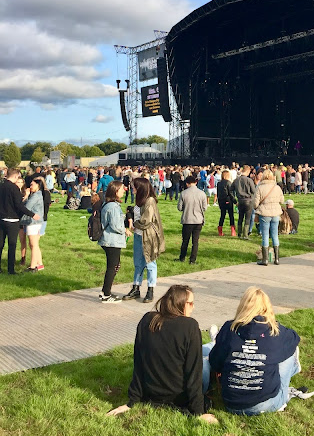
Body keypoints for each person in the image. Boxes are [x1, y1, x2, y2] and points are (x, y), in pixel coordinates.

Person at [107, 285, 217, 423]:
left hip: (151, 393)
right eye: (191, 303)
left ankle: (214, 343)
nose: (193, 307)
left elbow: (139, 362)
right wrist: (199, 411)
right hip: (179, 396)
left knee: (203, 350)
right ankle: (215, 344)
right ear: (180, 303)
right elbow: (193, 371)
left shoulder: (148, 319)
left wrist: (132, 401)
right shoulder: (190, 326)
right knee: (207, 361)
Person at [207, 287, 301, 415]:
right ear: (267, 308)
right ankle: (282, 395)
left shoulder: (229, 328)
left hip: (231, 403)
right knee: (290, 350)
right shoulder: (275, 331)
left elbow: (215, 362)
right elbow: (295, 338)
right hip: (265, 404)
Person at [123, 177, 165, 304]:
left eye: (134, 187)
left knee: (150, 263)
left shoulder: (150, 201)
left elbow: (146, 221)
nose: (132, 189)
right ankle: (136, 287)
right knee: (138, 263)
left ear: (141, 187)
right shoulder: (139, 200)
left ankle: (150, 289)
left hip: (148, 236)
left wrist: (134, 224)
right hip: (137, 235)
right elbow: (137, 213)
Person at [0, 168, 41, 274]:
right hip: (12, 220)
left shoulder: (1, 186)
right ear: (14, 176)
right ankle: (10, 269)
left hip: (1, 219)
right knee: (12, 245)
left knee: (0, 244)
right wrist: (32, 214)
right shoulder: (14, 188)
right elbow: (19, 206)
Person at [98, 180, 131, 303]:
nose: (124, 191)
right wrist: (125, 230)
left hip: (110, 240)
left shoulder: (110, 205)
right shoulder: (112, 206)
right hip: (111, 240)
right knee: (113, 267)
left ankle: (105, 291)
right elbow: (116, 225)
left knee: (115, 266)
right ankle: (106, 294)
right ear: (116, 191)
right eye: (122, 189)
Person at [254, 169, 284, 266]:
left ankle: (265, 260)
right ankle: (277, 259)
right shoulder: (277, 187)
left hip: (264, 213)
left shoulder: (259, 187)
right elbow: (282, 200)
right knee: (275, 235)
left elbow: (255, 203)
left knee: (265, 236)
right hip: (276, 213)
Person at [176, 175, 207, 264]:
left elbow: (179, 207)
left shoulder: (184, 193)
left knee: (185, 240)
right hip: (198, 220)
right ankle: (192, 260)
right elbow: (205, 208)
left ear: (187, 183)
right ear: (196, 182)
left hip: (187, 219)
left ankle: (182, 257)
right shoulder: (202, 193)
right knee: (195, 241)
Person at [22, 178, 46, 272]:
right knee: (34, 244)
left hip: (33, 222)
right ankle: (39, 264)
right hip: (37, 222)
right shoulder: (37, 194)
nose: (30, 186)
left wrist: (26, 196)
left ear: (38, 185)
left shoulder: (36, 196)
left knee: (33, 244)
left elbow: (27, 207)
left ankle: (33, 266)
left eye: (32, 185)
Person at [232, 165, 255, 239]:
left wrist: (234, 199)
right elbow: (254, 191)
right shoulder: (249, 180)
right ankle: (245, 235)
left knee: (240, 217)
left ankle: (239, 233)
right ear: (248, 171)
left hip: (240, 201)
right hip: (248, 200)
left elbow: (231, 189)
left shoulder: (236, 180)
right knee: (247, 218)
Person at [216, 170, 236, 236]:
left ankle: (220, 229)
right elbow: (230, 193)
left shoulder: (219, 183)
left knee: (222, 215)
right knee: (231, 215)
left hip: (221, 201)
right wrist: (235, 201)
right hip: (228, 200)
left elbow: (218, 193)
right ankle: (233, 231)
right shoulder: (228, 183)